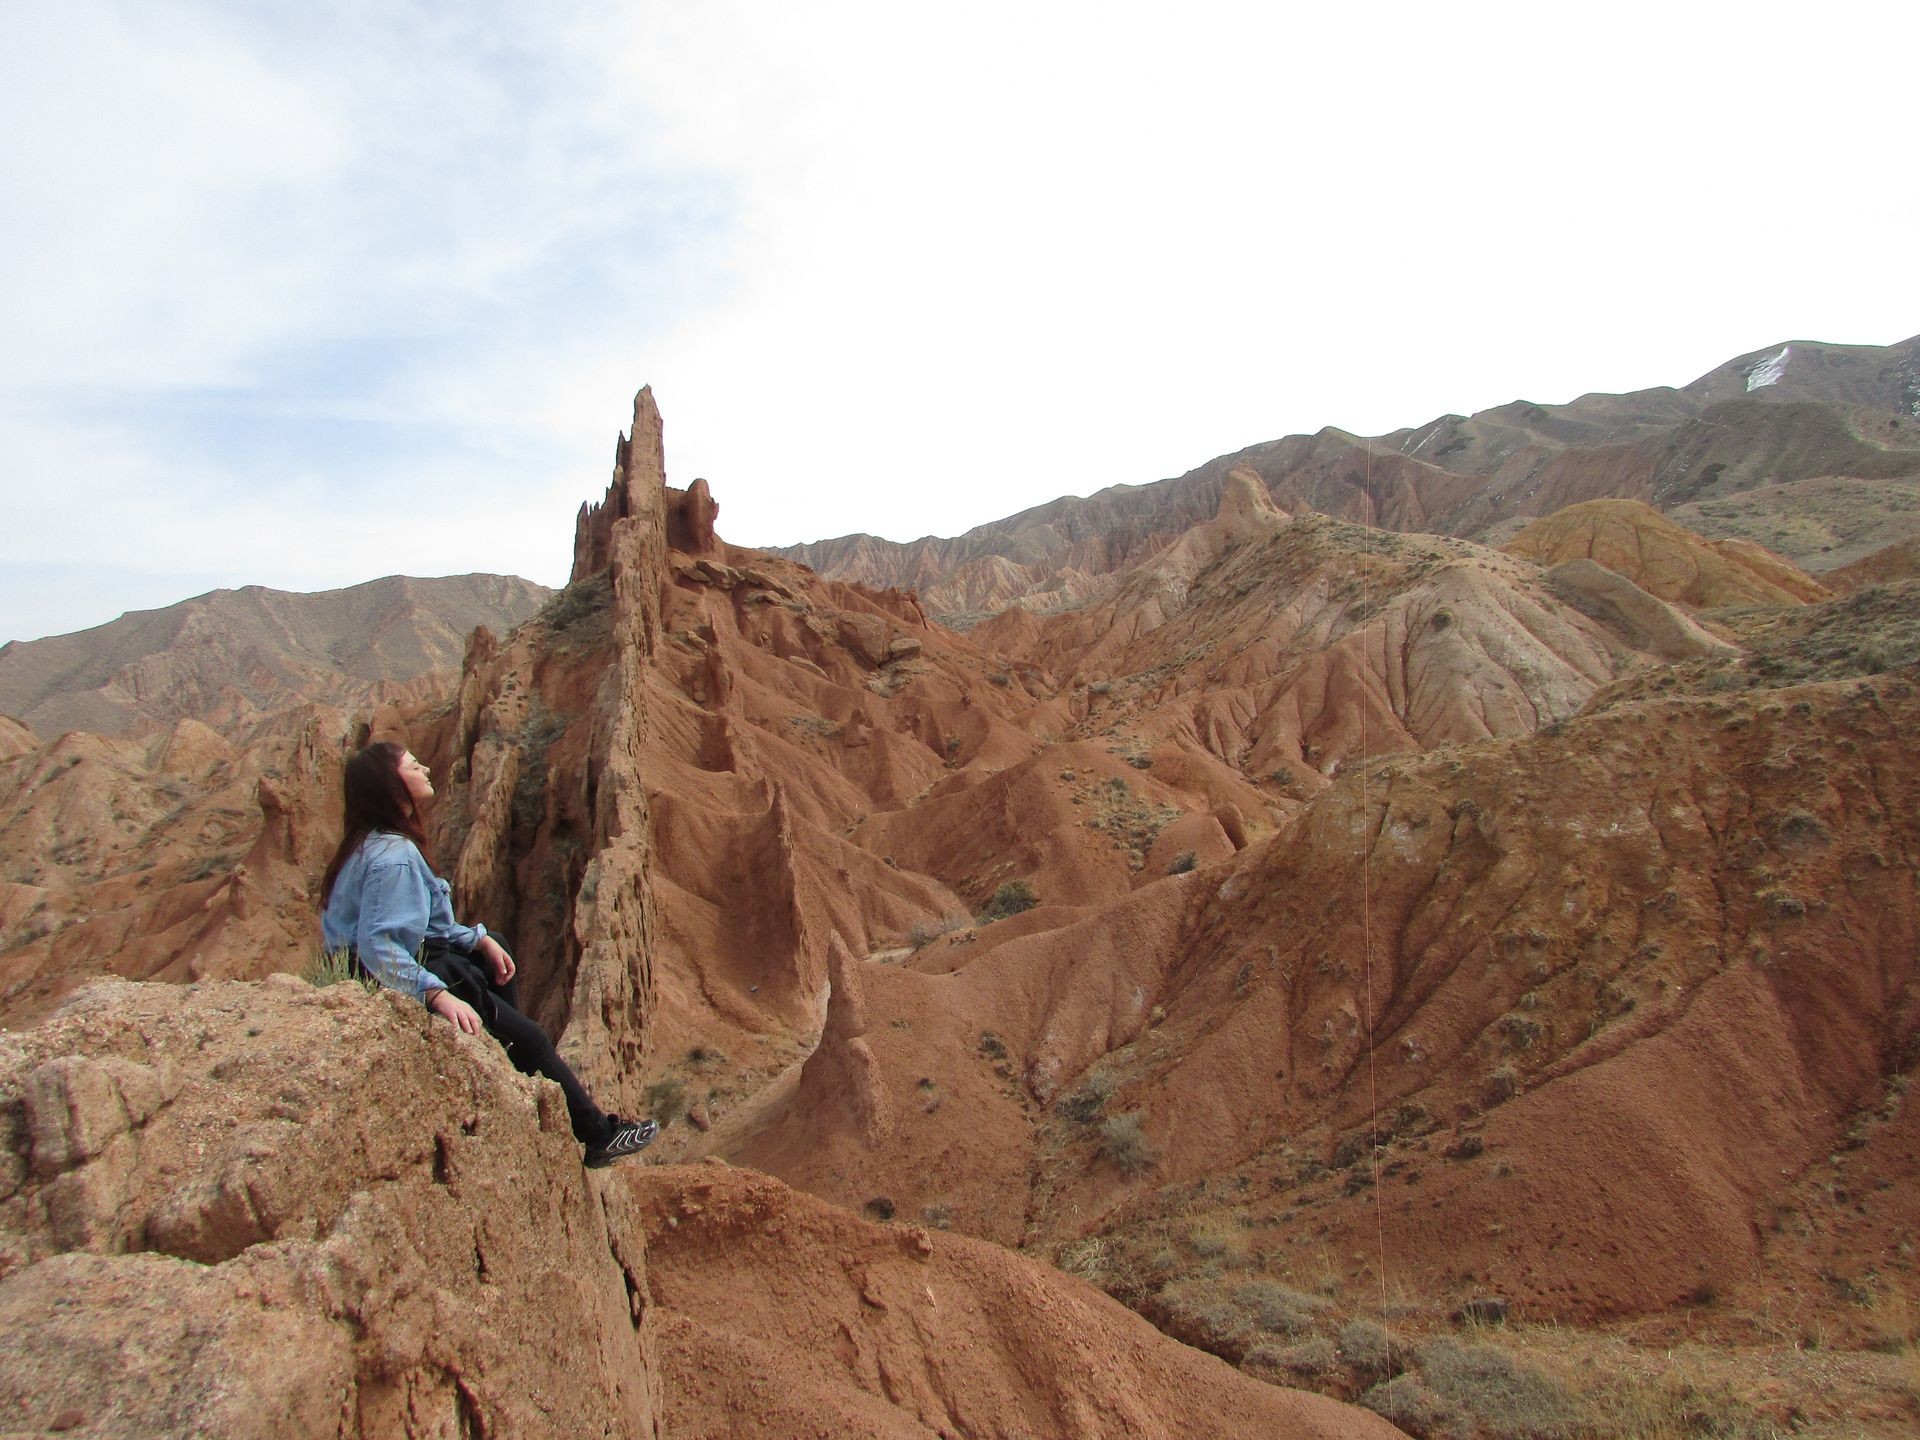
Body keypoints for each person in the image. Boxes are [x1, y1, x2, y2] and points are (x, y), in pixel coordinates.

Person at [319, 740, 657, 1168]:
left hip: (405, 958)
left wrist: (477, 938)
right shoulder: (394, 857)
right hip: (395, 973)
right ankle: (598, 1135)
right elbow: (378, 946)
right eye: (411, 764)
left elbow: (424, 924)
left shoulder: (372, 844)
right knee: (532, 1036)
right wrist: (434, 995)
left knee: (492, 944)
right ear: (391, 786)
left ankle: (507, 1048)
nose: (424, 767)